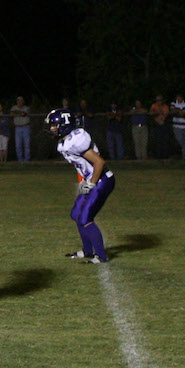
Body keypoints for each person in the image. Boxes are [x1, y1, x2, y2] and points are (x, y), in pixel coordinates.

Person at [45, 108, 115, 264]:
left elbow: (99, 162)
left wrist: (91, 184)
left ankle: (101, 256)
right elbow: (81, 165)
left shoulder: (76, 140)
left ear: (64, 125)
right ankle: (87, 251)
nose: (51, 128)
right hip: (92, 179)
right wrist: (83, 181)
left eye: (54, 125)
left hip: (102, 179)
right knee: (76, 214)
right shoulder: (65, 141)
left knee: (85, 218)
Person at [11, 98, 33, 162]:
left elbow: (24, 114)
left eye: (21, 101)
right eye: (18, 101)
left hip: (26, 127)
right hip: (18, 128)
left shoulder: (26, 108)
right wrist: (18, 112)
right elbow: (11, 113)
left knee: (27, 144)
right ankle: (20, 160)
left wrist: (17, 112)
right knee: (18, 145)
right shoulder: (14, 107)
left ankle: (27, 160)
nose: (19, 102)